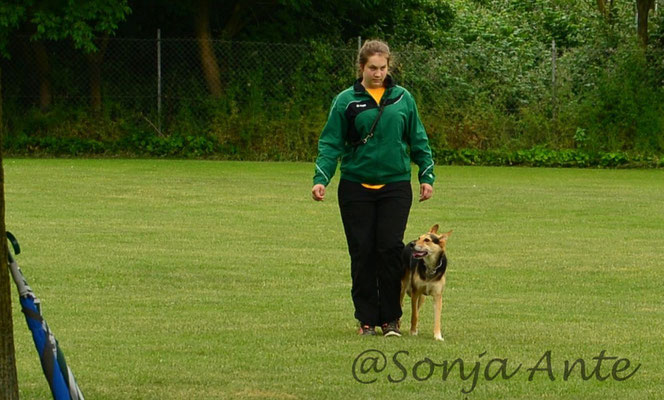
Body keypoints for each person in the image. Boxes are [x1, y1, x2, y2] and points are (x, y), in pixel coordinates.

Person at [311, 40, 436, 337]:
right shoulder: (346, 101)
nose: (378, 74)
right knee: (363, 252)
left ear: (389, 67)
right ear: (361, 68)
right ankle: (366, 319)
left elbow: (418, 138)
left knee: (390, 249)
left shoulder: (402, 99)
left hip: (395, 185)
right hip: (356, 187)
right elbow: (330, 142)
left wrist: (426, 175)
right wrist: (321, 178)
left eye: (382, 68)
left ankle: (391, 319)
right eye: (372, 68)